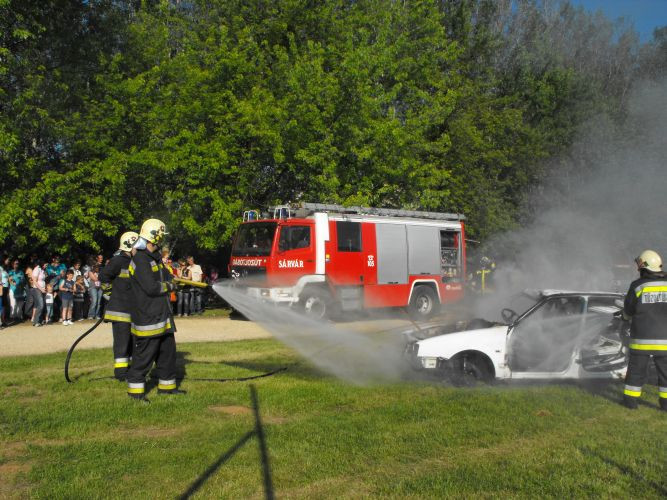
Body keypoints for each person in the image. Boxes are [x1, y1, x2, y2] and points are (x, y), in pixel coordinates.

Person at [126, 219, 181, 402]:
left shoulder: (154, 258)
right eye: (160, 237)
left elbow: (165, 277)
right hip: (148, 317)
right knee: (144, 357)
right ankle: (136, 393)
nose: (162, 241)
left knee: (167, 354)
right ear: (154, 237)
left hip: (162, 316)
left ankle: (167, 388)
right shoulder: (140, 260)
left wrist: (172, 279)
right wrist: (170, 286)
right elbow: (150, 287)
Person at [622, 250, 667, 411]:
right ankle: (665, 405)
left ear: (643, 266)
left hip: (641, 340)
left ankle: (631, 403)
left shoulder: (637, 286)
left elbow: (628, 310)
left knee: (636, 372)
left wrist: (624, 320)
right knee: (666, 374)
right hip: (665, 342)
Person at [100, 231, 139, 381]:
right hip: (119, 311)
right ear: (130, 246)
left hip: (132, 310)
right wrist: (110, 293)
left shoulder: (135, 262)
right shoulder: (117, 261)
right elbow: (103, 276)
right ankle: (121, 373)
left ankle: (129, 368)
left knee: (132, 341)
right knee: (122, 342)